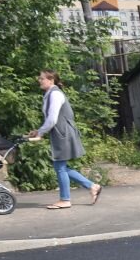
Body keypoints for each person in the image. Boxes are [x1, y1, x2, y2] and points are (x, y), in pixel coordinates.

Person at [29, 70, 100, 210]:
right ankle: (92, 186)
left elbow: (52, 119)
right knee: (60, 167)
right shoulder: (50, 94)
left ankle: (65, 199)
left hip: (63, 133)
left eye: (42, 78)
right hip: (60, 133)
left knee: (60, 167)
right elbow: (50, 119)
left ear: (51, 80)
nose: (39, 80)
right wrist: (38, 131)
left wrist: (41, 133)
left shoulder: (55, 94)